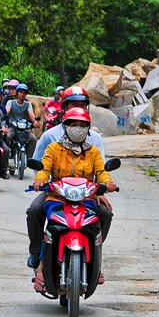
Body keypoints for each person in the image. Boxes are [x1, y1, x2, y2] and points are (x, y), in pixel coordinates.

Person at [29, 107, 117, 288]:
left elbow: (101, 172)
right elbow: (44, 169)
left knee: (105, 214)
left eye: (83, 125)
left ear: (88, 128)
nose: (78, 128)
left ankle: (96, 257)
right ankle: (39, 262)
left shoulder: (92, 152)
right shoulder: (54, 149)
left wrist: (107, 184)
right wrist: (40, 180)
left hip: (86, 198)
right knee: (35, 211)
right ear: (66, 126)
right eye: (74, 124)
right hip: (57, 196)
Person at [6, 83, 38, 159]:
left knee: (33, 139)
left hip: (24, 128)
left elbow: (31, 113)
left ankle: (29, 159)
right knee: (7, 137)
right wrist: (5, 116)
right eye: (21, 92)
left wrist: (34, 121)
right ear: (17, 93)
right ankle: (7, 156)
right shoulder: (11, 102)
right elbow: (7, 110)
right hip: (13, 127)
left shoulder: (27, 104)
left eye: (24, 93)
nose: (22, 94)